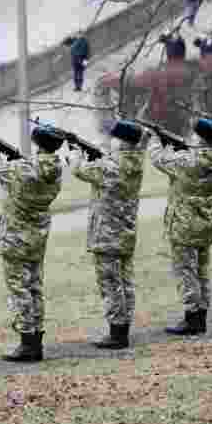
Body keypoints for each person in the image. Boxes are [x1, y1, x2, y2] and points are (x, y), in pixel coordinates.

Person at [0, 125, 64, 362]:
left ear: (37, 143)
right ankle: (35, 338)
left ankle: (27, 342)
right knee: (35, 287)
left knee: (19, 289)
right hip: (37, 236)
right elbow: (29, 169)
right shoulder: (55, 168)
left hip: (16, 237)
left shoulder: (24, 168)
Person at [69, 120, 147, 349]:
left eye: (114, 138)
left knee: (111, 284)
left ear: (121, 141)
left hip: (107, 234)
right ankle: (124, 325)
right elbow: (107, 163)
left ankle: (117, 332)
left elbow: (78, 170)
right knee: (125, 282)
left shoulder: (110, 166)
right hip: (125, 231)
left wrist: (76, 152)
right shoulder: (135, 161)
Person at [151, 118, 212, 336]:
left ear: (200, 138)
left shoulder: (189, 161)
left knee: (186, 271)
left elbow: (159, 159)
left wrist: (156, 140)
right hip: (204, 222)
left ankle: (192, 316)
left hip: (184, 223)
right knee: (201, 270)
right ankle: (200, 313)